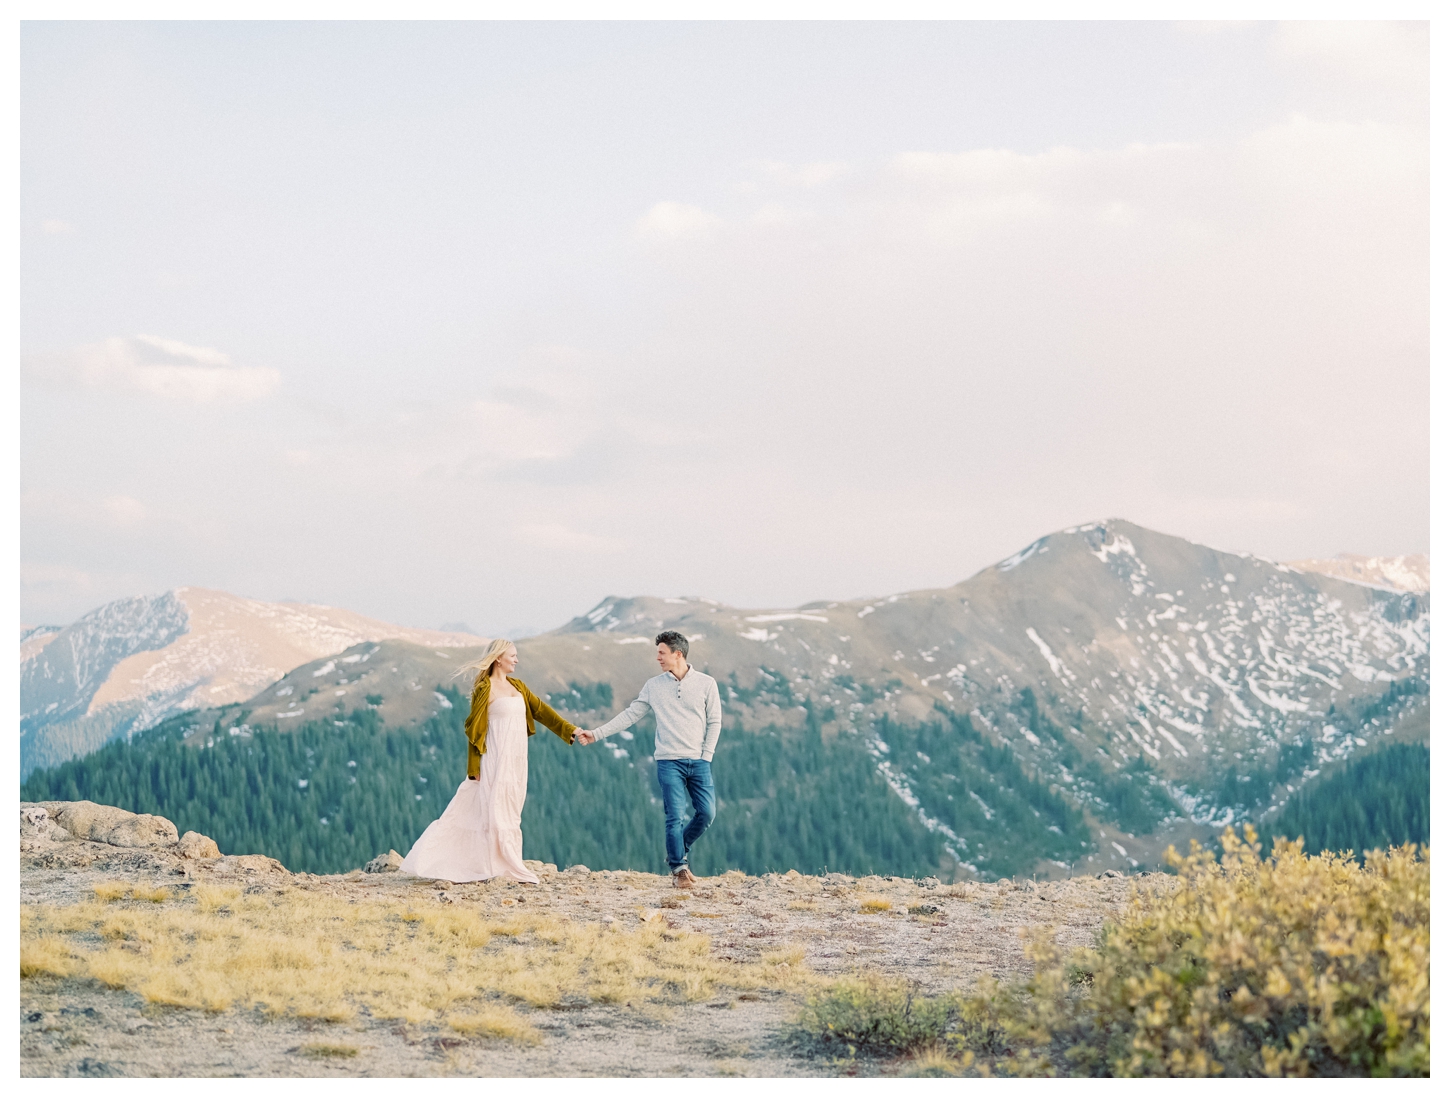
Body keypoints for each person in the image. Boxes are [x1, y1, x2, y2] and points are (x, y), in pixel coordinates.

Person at [399, 638, 578, 884]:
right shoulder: (485, 689)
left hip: (517, 759)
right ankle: (500, 866)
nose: (517, 659)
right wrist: (473, 769)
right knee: (496, 811)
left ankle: (505, 861)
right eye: (512, 655)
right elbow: (474, 730)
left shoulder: (518, 687)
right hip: (494, 757)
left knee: (511, 810)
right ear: (498, 659)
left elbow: (542, 711)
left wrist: (571, 731)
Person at [576, 630, 721, 888]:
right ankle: (679, 869)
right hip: (669, 762)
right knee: (674, 816)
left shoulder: (707, 683)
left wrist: (706, 755)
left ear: (678, 654)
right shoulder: (653, 686)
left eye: (661, 653)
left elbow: (715, 721)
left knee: (707, 813)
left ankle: (678, 848)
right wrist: (596, 734)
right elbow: (630, 715)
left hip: (699, 761)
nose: (658, 658)